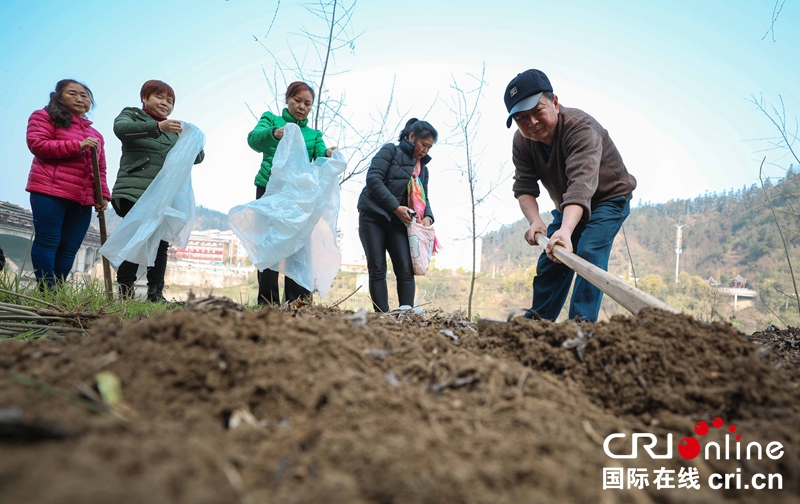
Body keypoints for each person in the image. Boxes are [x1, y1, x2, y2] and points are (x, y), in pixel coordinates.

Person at [505, 69, 637, 322]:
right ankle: (538, 323)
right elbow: (524, 187)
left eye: (538, 111)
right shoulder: (522, 143)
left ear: (554, 102)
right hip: (569, 205)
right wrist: (535, 221)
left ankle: (581, 326)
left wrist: (565, 230)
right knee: (551, 259)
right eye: (522, 118)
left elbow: (581, 185)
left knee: (588, 252)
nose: (532, 122)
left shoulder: (580, 128)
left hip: (608, 199)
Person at [111, 80, 204, 302]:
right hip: (135, 189)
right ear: (145, 98)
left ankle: (155, 293)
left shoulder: (174, 131)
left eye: (170, 101)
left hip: (163, 195)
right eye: (159, 97)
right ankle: (125, 291)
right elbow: (120, 129)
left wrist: (193, 140)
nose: (165, 103)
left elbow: (197, 158)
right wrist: (157, 127)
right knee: (136, 237)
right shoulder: (132, 115)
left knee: (161, 243)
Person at [247, 81, 337, 306]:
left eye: (307, 104)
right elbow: (254, 140)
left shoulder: (313, 134)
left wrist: (328, 153)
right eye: (297, 100)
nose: (302, 107)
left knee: (298, 247)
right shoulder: (272, 120)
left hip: (298, 198)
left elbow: (320, 154)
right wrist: (275, 134)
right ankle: (267, 303)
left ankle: (297, 303)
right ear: (287, 99)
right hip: (270, 191)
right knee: (269, 245)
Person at [25, 79, 110, 289]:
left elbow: (101, 168)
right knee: (48, 241)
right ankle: (47, 289)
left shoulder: (96, 134)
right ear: (59, 97)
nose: (80, 99)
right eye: (73, 94)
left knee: (70, 247)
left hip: (82, 198)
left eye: (85, 95)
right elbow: (38, 145)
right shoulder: (43, 117)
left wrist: (103, 196)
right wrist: (78, 145)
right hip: (49, 191)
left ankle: (57, 290)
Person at [357, 118, 438, 313]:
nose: (425, 150)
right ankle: (382, 316)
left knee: (405, 268)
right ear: (411, 137)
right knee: (377, 268)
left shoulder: (422, 169)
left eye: (429, 147)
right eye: (423, 144)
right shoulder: (390, 151)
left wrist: (428, 216)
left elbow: (424, 197)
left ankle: (406, 314)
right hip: (373, 217)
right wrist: (395, 207)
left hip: (400, 223)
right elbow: (373, 179)